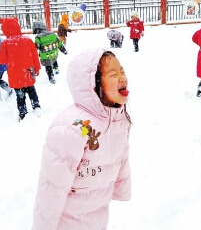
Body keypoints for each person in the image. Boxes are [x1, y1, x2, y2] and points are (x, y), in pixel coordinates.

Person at [31, 49, 132, 230]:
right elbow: (52, 187)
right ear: (94, 85)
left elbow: (121, 157)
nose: (122, 77)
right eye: (113, 74)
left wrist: (122, 187)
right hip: (68, 222)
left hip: (98, 215)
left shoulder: (118, 119)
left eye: (122, 71)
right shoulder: (71, 129)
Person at [0, 17, 42, 121]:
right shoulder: (27, 40)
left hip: (16, 75)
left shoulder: (5, 43)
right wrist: (37, 68)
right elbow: (35, 56)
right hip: (29, 72)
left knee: (20, 95)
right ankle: (36, 106)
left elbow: (3, 60)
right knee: (31, 90)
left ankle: (23, 112)